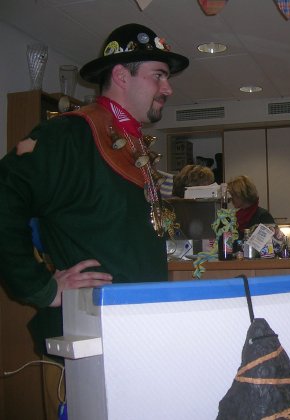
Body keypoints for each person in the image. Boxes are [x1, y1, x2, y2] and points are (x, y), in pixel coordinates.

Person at [0, 23, 189, 418]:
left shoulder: (132, 142)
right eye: (158, 75)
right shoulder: (70, 134)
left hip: (132, 339)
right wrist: (38, 287)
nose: (168, 88)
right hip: (86, 346)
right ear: (121, 75)